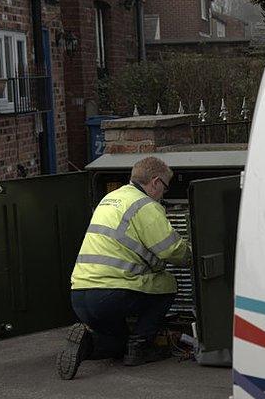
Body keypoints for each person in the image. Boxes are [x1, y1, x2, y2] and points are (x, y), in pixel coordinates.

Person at [57, 156, 191, 380]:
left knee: (117, 344)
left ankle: (86, 345)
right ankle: (140, 347)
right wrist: (193, 255)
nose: (163, 194)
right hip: (111, 294)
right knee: (167, 284)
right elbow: (171, 250)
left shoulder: (111, 198)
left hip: (80, 295)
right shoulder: (145, 205)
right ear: (156, 182)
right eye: (165, 188)